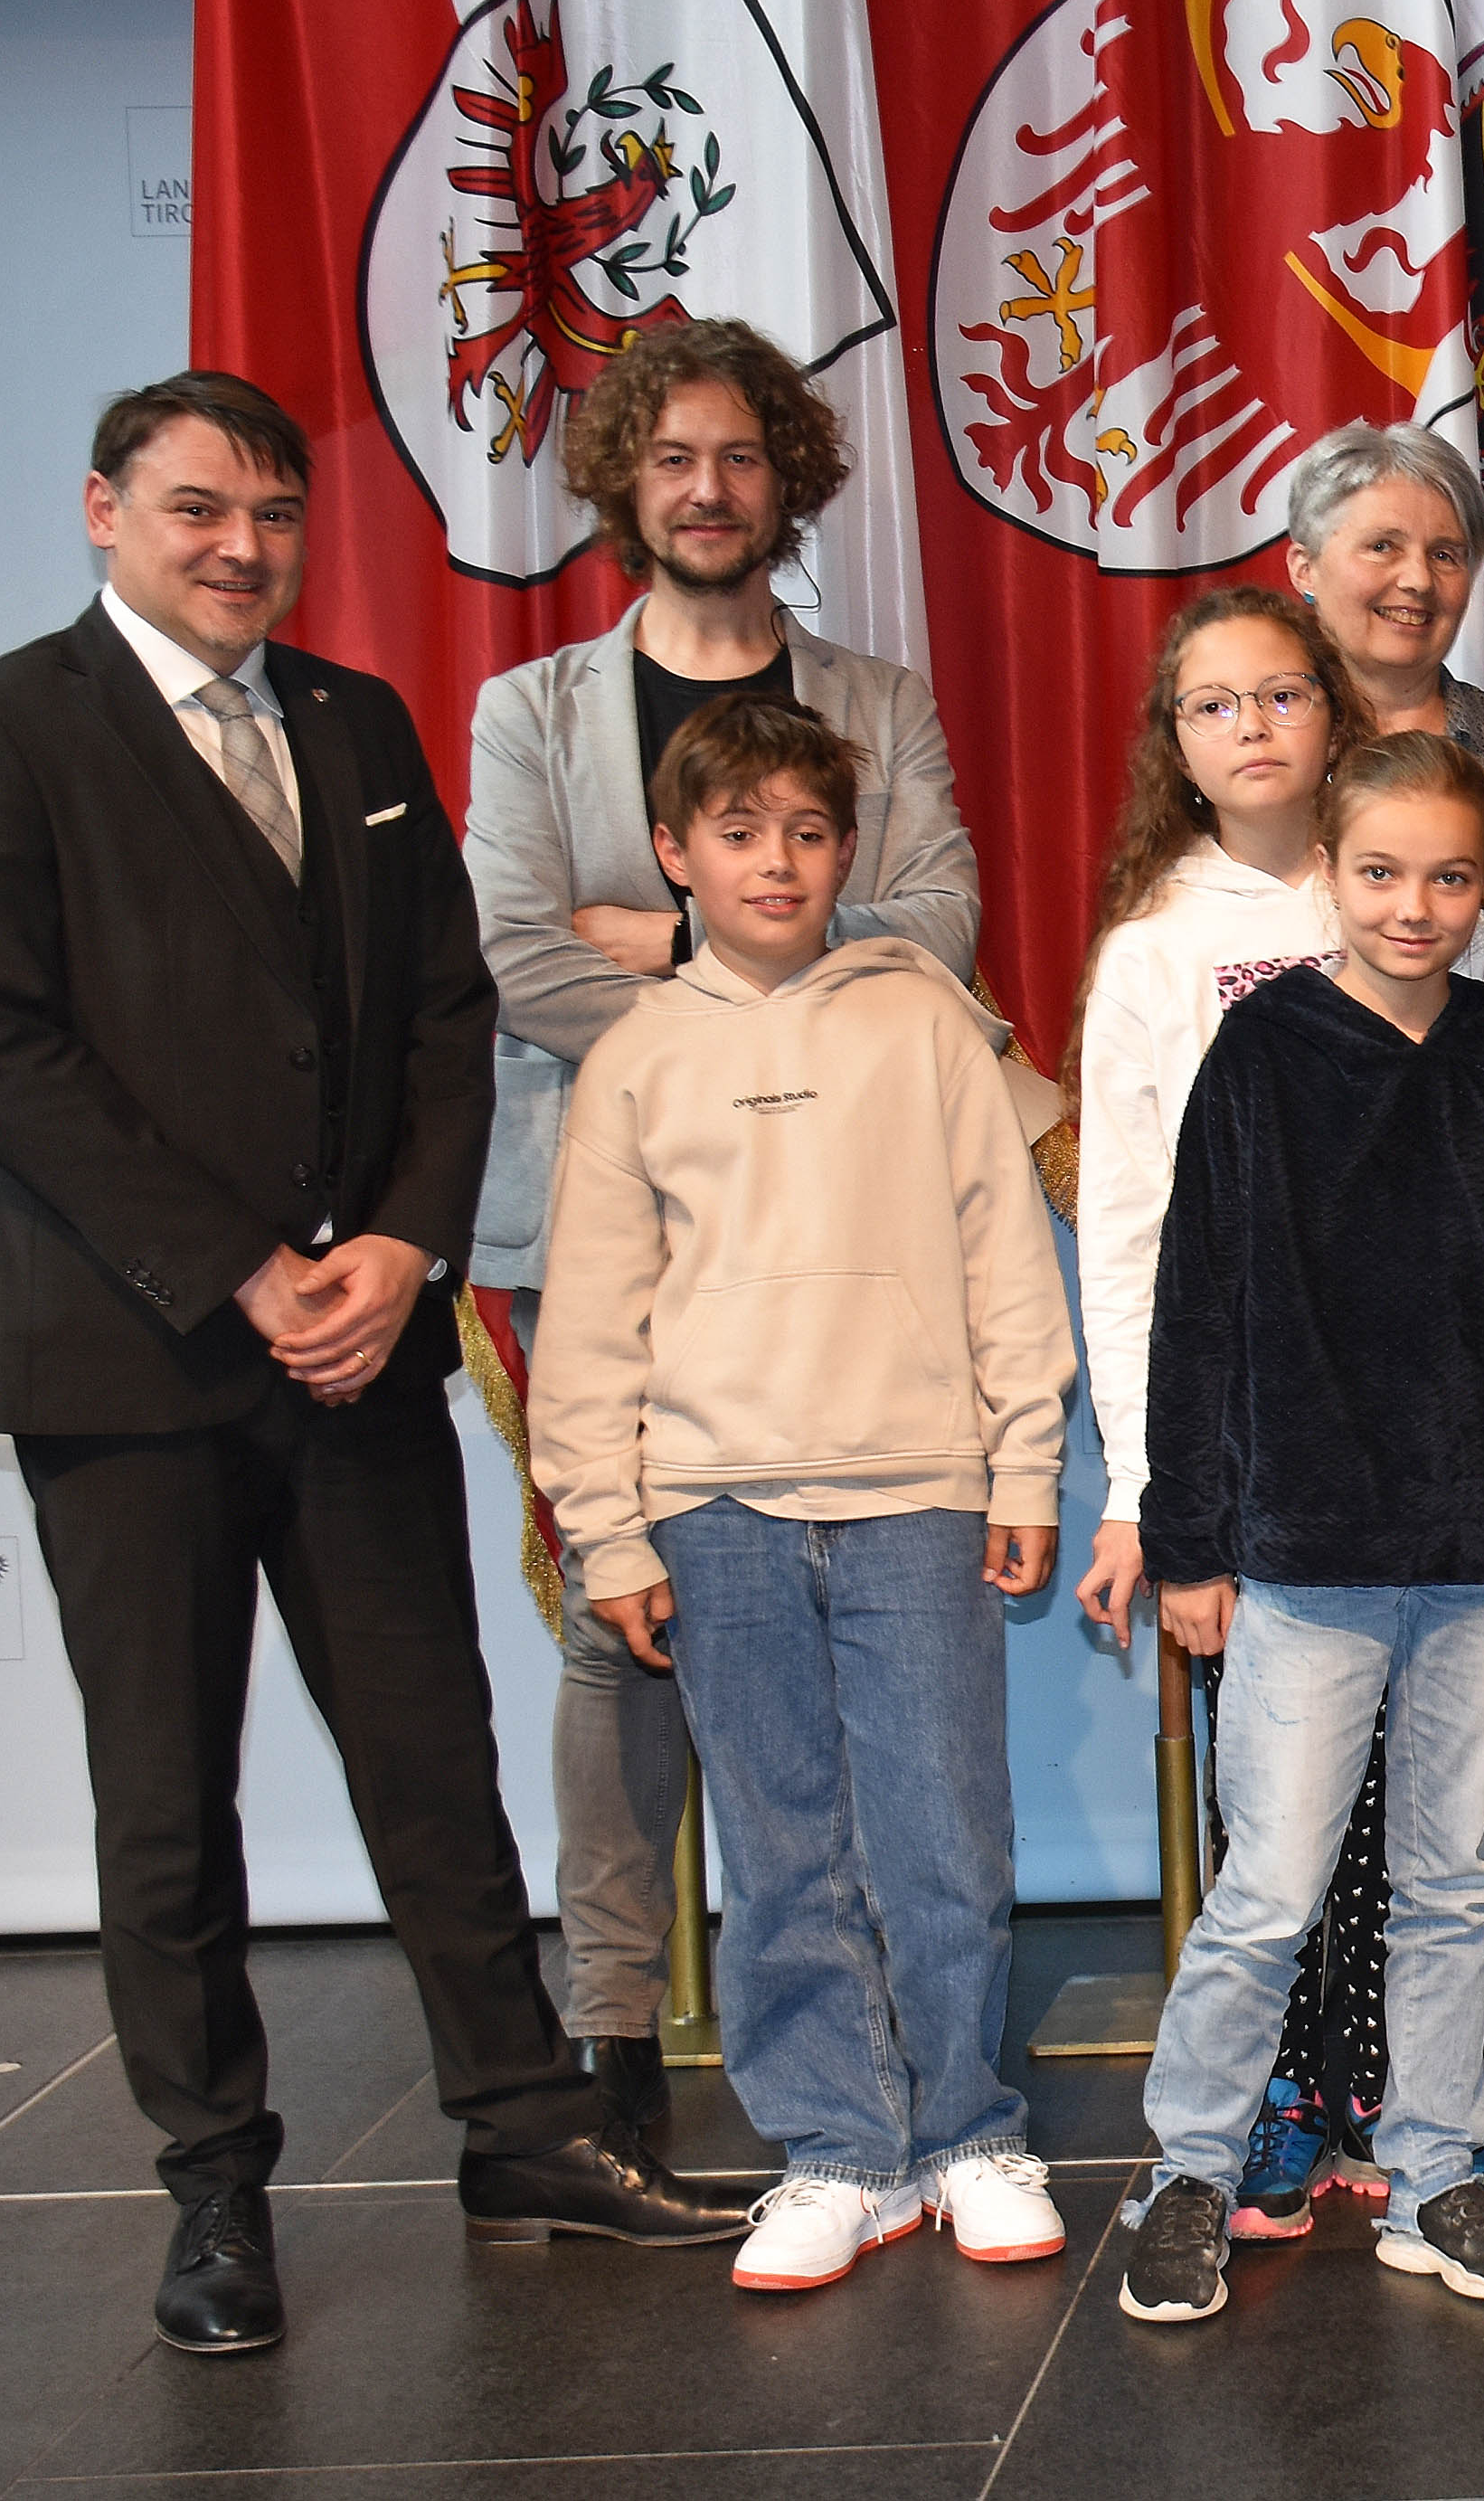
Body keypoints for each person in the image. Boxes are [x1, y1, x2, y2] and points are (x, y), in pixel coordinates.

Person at [0, 372, 732, 2356]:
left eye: (271, 513)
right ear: (103, 511)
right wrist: (248, 1269)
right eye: (196, 511)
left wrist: (406, 1249)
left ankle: (524, 2132)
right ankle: (214, 2196)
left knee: (433, 1763)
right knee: (166, 1800)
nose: (241, 548)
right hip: (127, 1362)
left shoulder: (351, 720)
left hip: (363, 1349)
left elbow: (449, 1017)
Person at [462, 317, 978, 2136]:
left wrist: (662, 943)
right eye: (672, 456)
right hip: (594, 1223)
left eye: (742, 455)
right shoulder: (529, 713)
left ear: (788, 481)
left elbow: (936, 928)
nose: (707, 487)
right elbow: (519, 953)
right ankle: (614, 2017)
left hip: (848, 1229)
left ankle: (882, 2026)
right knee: (630, 1620)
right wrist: (742, 1009)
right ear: (623, 476)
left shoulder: (877, 703)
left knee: (849, 1616)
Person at [526, 696, 1073, 2289]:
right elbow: (594, 1318)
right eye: (741, 831)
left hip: (916, 1493)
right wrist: (608, 1528)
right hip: (712, 1510)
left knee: (944, 1834)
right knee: (777, 1849)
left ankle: (969, 2132)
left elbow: (1000, 1262)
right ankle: (838, 2151)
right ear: (677, 854)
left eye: (811, 832)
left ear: (850, 851)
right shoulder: (633, 1061)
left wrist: (1020, 1459)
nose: (779, 861)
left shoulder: (924, 1025)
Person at [1113, 734, 1484, 2323]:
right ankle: (1190, 2169)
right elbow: (1197, 1313)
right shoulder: (1262, 1056)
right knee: (1273, 1885)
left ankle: (1435, 2170)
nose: (1416, 906)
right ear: (1327, 873)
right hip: (1310, 1552)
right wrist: (1190, 1542)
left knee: (1454, 1882)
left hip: (1472, 1549)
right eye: (1382, 873)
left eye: (1450, 877)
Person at [1053, 587, 1407, 2238]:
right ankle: (1265, 2098)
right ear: (1175, 747)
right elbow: (1123, 1240)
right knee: (1272, 1789)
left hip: (1409, 1416)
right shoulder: (1154, 951)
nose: (1256, 727)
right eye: (1216, 706)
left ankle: (1393, 2099)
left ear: (1334, 713)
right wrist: (1150, 1485)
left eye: (1284, 694)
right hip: (1245, 1429)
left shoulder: (1402, 895)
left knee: (1416, 1781)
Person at [1279, 422, 1484, 920]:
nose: (1418, 579)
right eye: (1383, 546)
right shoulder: (1253, 750)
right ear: (1304, 568)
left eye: (1444, 555)